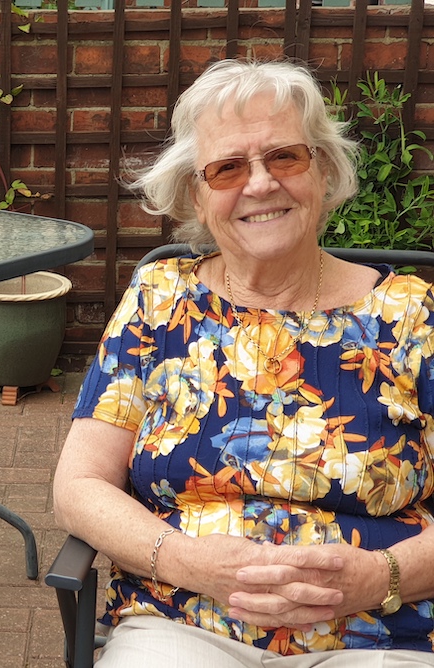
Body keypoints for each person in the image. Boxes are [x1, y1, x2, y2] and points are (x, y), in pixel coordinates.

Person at [52, 58, 434, 665]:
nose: (260, 184)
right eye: (228, 168)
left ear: (324, 170)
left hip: (379, 630)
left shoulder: (415, 317)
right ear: (196, 198)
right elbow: (79, 485)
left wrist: (379, 576)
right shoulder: (159, 300)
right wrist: (188, 562)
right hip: (182, 621)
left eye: (285, 157)